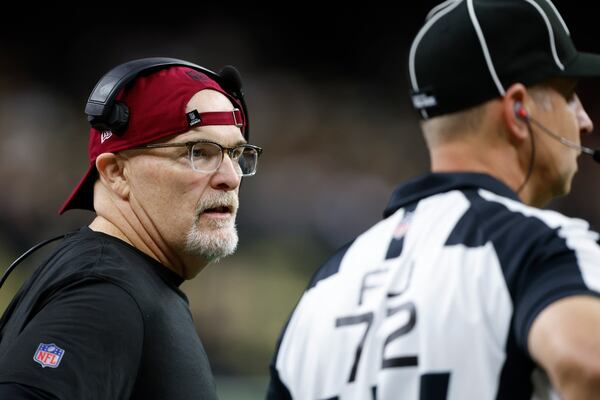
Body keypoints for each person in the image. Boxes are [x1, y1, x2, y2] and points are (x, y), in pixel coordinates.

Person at [267, 1, 600, 399]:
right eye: (569, 96)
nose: (584, 120)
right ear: (518, 110)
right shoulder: (539, 246)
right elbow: (588, 365)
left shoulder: (326, 284)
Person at [0, 57, 262, 399]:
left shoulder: (126, 281)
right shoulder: (105, 294)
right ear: (116, 174)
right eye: (199, 152)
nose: (230, 177)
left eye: (237, 153)